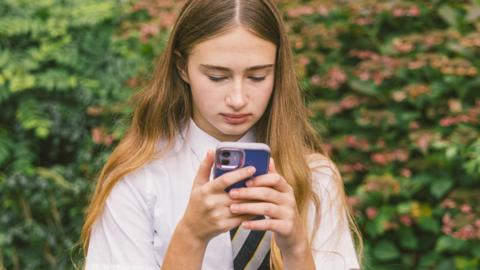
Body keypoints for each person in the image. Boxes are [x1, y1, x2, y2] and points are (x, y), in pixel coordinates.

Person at [81, 0, 362, 269]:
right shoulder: (137, 178)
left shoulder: (315, 176)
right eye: (217, 77)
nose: (238, 99)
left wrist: (296, 249)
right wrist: (191, 235)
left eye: (257, 77)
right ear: (182, 68)